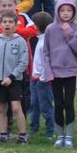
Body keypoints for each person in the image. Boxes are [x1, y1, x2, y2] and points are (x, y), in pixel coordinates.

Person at [0, 0, 38, 131]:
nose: (7, 8)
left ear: (16, 5)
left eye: (10, 5)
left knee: (21, 97)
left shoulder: (23, 17)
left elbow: (32, 31)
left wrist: (15, 33)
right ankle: (5, 127)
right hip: (1, 67)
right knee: (2, 103)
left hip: (20, 61)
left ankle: (23, 128)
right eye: (3, 5)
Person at [40, 0, 77, 148]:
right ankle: (60, 136)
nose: (66, 14)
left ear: (74, 11)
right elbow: (45, 52)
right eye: (62, 10)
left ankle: (69, 136)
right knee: (58, 104)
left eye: (69, 10)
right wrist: (48, 72)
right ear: (57, 11)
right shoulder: (50, 29)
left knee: (69, 103)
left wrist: (69, 33)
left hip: (70, 72)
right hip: (55, 73)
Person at [0, 11, 30, 144]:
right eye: (4, 22)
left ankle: (23, 135)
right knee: (1, 108)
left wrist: (11, 76)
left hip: (14, 80)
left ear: (16, 25)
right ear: (0, 24)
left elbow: (23, 62)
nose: (7, 24)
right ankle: (3, 134)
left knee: (16, 107)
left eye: (11, 22)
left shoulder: (20, 41)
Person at [28, 11, 55, 139]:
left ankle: (50, 131)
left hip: (43, 80)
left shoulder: (45, 42)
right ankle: (34, 127)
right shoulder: (40, 40)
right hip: (35, 79)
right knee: (34, 104)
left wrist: (43, 78)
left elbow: (46, 62)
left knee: (45, 106)